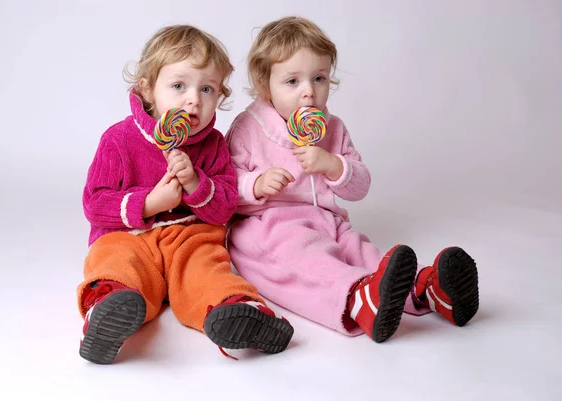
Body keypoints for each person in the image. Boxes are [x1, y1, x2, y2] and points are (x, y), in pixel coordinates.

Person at [226, 16, 479, 343]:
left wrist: (333, 165)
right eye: (292, 81)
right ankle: (357, 298)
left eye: (318, 78)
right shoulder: (249, 127)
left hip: (328, 219)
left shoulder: (333, 128)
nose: (308, 92)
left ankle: (426, 290)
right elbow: (224, 183)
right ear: (264, 84)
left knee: (362, 252)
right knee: (309, 261)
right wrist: (255, 185)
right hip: (268, 225)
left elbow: (360, 186)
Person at [77, 25, 293, 364]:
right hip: (127, 236)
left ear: (219, 96)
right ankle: (108, 308)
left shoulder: (213, 144)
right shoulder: (118, 140)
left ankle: (235, 311)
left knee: (206, 269)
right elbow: (95, 203)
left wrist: (195, 184)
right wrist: (149, 203)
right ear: (148, 89)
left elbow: (224, 209)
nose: (194, 99)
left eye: (207, 89)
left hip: (189, 236)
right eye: (179, 86)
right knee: (117, 262)